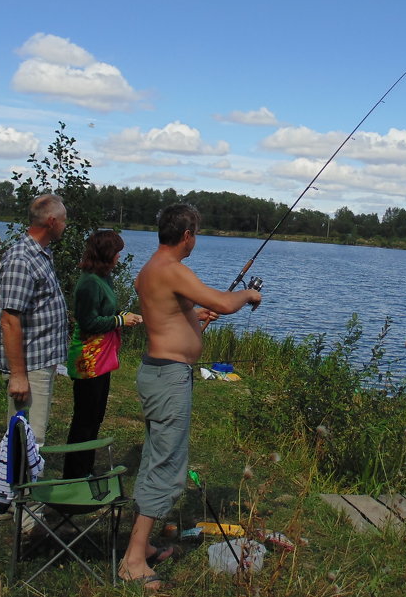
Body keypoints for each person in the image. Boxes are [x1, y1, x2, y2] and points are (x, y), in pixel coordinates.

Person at [118, 203, 261, 589]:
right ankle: (132, 561)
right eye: (194, 234)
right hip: (168, 379)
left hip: (155, 371)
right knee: (166, 464)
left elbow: (161, 314)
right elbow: (223, 302)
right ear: (186, 236)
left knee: (152, 457)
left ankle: (142, 545)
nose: (194, 240)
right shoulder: (174, 269)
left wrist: (190, 316)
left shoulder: (150, 270)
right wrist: (247, 295)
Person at [0, 193, 68, 519]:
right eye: (64, 220)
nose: (65, 226)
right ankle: (28, 519)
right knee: (30, 440)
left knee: (21, 434)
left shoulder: (41, 254)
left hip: (40, 362)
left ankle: (6, 504)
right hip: (30, 366)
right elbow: (10, 319)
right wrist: (19, 374)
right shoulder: (22, 259)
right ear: (51, 221)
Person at [63, 229, 143, 479]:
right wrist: (120, 319)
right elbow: (87, 322)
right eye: (117, 252)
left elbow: (108, 312)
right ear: (107, 254)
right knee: (84, 419)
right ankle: (74, 474)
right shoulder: (88, 282)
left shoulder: (104, 278)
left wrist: (124, 317)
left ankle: (85, 468)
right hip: (88, 359)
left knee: (96, 415)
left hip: (102, 359)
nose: (120, 256)